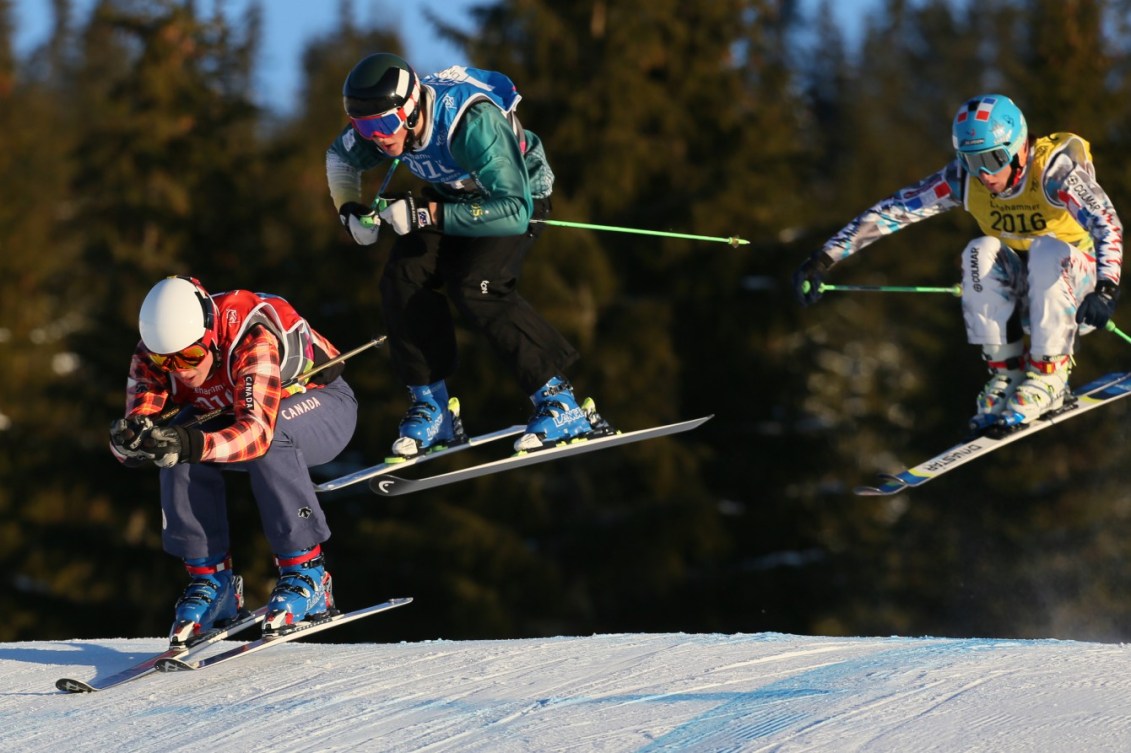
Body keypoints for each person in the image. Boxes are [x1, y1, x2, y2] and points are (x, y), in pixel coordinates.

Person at [326, 52, 610, 459]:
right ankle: (432, 407)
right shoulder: (383, 128)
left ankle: (559, 401)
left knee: (478, 285)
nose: (376, 137)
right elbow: (338, 156)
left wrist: (426, 213)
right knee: (402, 278)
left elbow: (515, 210)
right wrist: (349, 209)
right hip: (452, 197)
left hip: (515, 200)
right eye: (362, 126)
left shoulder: (472, 124)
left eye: (383, 124)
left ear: (408, 110)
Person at [794, 93, 1123, 431]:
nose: (984, 175)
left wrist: (1107, 288)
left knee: (1045, 250)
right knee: (979, 252)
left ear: (1020, 148)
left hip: (1082, 293)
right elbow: (894, 211)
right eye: (971, 160)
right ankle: (1007, 373)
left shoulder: (1055, 172)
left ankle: (1051, 375)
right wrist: (824, 258)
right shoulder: (964, 181)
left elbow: (1106, 221)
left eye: (993, 159)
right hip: (1030, 298)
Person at [108, 276, 359, 643]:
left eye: (191, 356)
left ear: (209, 335)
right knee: (171, 445)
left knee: (268, 437)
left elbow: (257, 431)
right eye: (168, 360)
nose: (179, 368)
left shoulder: (250, 335)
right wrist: (130, 443)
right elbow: (139, 433)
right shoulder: (151, 355)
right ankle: (213, 583)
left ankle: (308, 572)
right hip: (238, 416)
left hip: (322, 406)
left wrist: (192, 443)